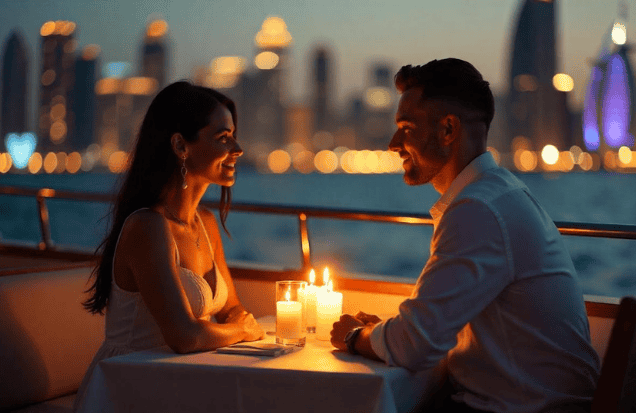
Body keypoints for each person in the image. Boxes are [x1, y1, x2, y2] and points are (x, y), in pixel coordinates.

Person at [331, 59, 600, 413]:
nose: (393, 143)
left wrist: (354, 337)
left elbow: (416, 344)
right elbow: (428, 328)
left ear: (448, 130)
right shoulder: (496, 194)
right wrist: (389, 332)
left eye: (406, 127)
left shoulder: (478, 209)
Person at [74, 81, 264, 412]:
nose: (238, 148)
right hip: (131, 386)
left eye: (233, 135)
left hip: (180, 380)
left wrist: (238, 322)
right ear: (180, 145)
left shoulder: (204, 223)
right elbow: (184, 336)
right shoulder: (147, 227)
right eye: (223, 138)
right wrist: (240, 330)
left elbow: (231, 308)